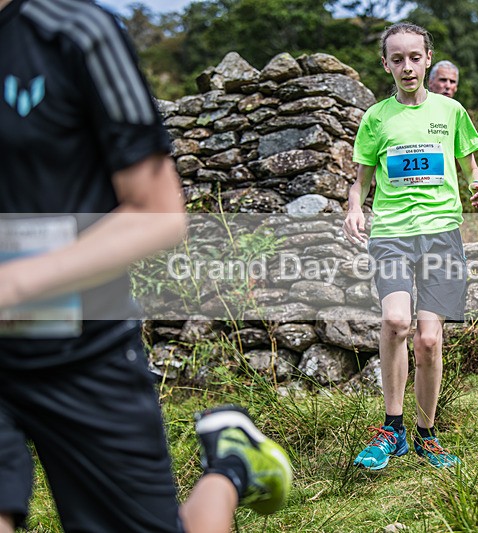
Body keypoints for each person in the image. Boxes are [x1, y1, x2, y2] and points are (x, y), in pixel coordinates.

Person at [0, 0, 290, 531]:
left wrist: (13, 282)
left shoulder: (76, 33)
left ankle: (230, 465)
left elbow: (159, 212)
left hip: (81, 350)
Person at [343, 22, 478, 470]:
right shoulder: (376, 118)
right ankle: (392, 429)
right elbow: (360, 183)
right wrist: (354, 208)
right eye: (397, 58)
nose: (406, 66)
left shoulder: (451, 112)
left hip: (442, 234)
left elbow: (472, 168)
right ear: (385, 64)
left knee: (428, 340)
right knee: (394, 321)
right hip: (391, 234)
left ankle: (426, 435)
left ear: (428, 59)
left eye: (414, 57)